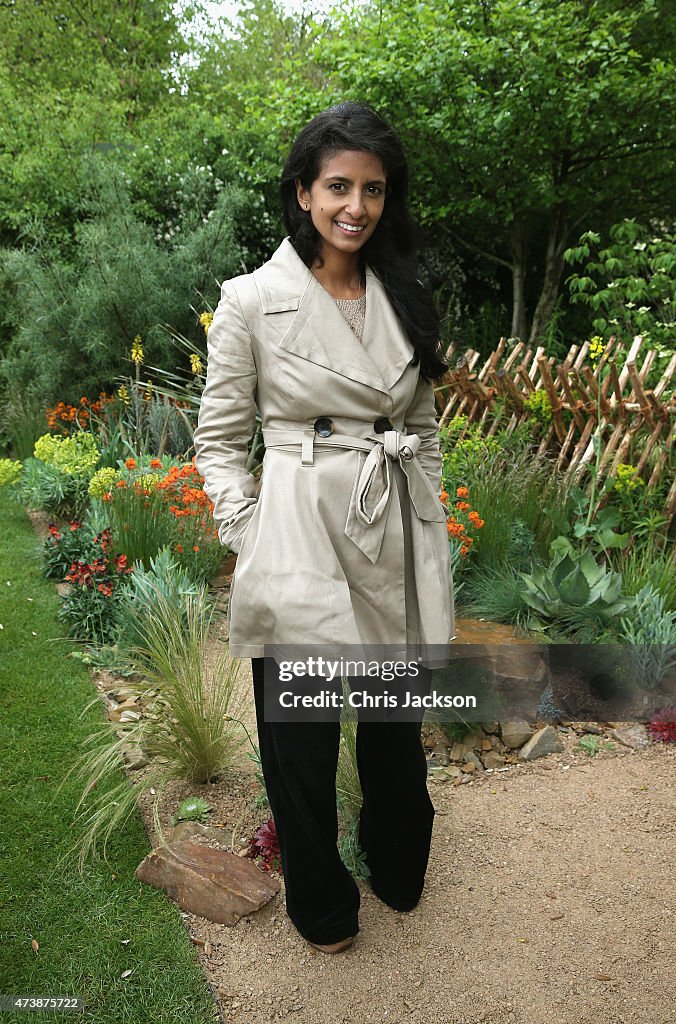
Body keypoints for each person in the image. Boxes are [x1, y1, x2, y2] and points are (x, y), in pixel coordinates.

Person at [193, 101, 455, 954]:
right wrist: (249, 533)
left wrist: (430, 515)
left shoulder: (404, 294)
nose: (356, 206)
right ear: (303, 192)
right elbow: (219, 441)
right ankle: (323, 905)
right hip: (300, 524)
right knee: (300, 741)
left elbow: (424, 424)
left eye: (373, 189)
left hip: (395, 528)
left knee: (393, 726)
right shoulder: (251, 301)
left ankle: (396, 864)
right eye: (338, 185)